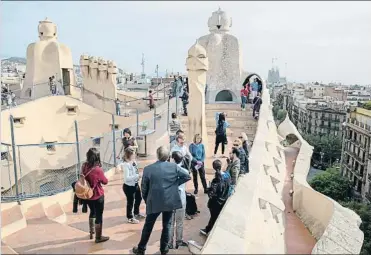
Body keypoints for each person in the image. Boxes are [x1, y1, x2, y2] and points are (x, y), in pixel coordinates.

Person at [132, 146, 191, 255]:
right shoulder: (174, 167)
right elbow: (187, 175)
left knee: (148, 226)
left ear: (157, 155)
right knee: (167, 225)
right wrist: (175, 184)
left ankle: (141, 249)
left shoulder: (148, 169)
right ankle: (164, 249)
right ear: (168, 156)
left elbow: (144, 188)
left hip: (153, 201)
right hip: (169, 201)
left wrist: (146, 199)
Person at [82, 148, 109, 243]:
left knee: (92, 212)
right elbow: (105, 181)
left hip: (87, 195)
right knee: (99, 215)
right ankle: (98, 237)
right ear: (97, 157)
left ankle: (91, 232)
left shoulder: (84, 166)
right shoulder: (98, 170)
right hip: (97, 196)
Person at [199, 159, 230, 237]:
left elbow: (212, 193)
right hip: (224, 200)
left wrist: (209, 191)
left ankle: (208, 230)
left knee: (213, 217)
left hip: (215, 203)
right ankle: (208, 229)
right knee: (215, 217)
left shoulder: (216, 180)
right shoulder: (227, 175)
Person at [168, 151, 190, 249]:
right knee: (179, 222)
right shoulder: (184, 170)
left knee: (171, 222)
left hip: (171, 199)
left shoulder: (168, 170)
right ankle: (179, 241)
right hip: (181, 200)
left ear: (173, 159)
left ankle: (169, 243)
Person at [120, 147, 145, 224]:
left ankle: (136, 213)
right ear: (129, 155)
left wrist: (137, 175)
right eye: (133, 155)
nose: (135, 156)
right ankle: (130, 217)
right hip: (129, 186)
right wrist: (137, 176)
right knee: (130, 202)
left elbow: (135, 171)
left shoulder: (133, 162)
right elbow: (126, 178)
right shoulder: (125, 165)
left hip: (135, 184)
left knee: (139, 198)